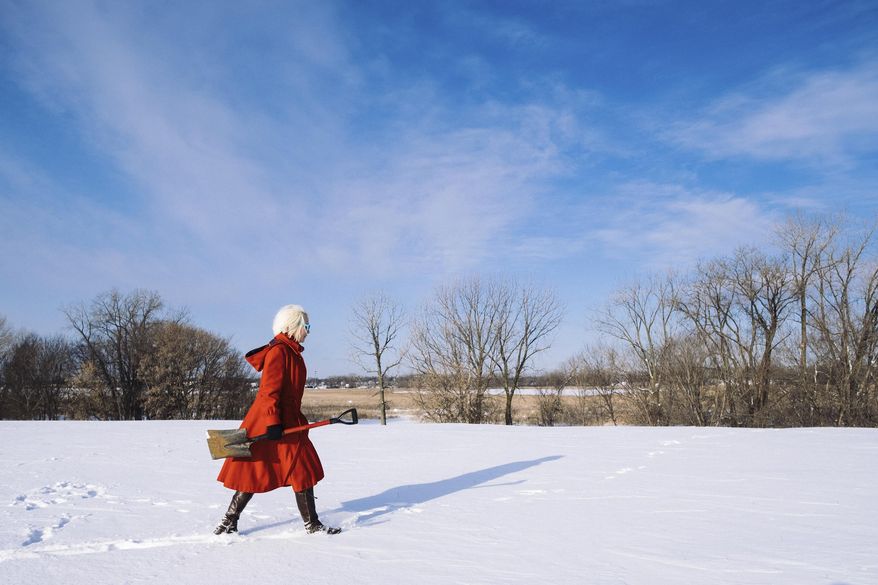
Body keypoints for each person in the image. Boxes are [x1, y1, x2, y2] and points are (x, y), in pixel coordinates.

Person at [214, 305, 340, 535]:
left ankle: (312, 524)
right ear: (293, 326)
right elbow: (268, 392)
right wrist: (272, 423)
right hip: (269, 422)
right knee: (252, 471)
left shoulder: (291, 352)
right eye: (307, 326)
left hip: (290, 422)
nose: (309, 331)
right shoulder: (279, 352)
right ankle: (228, 522)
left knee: (302, 468)